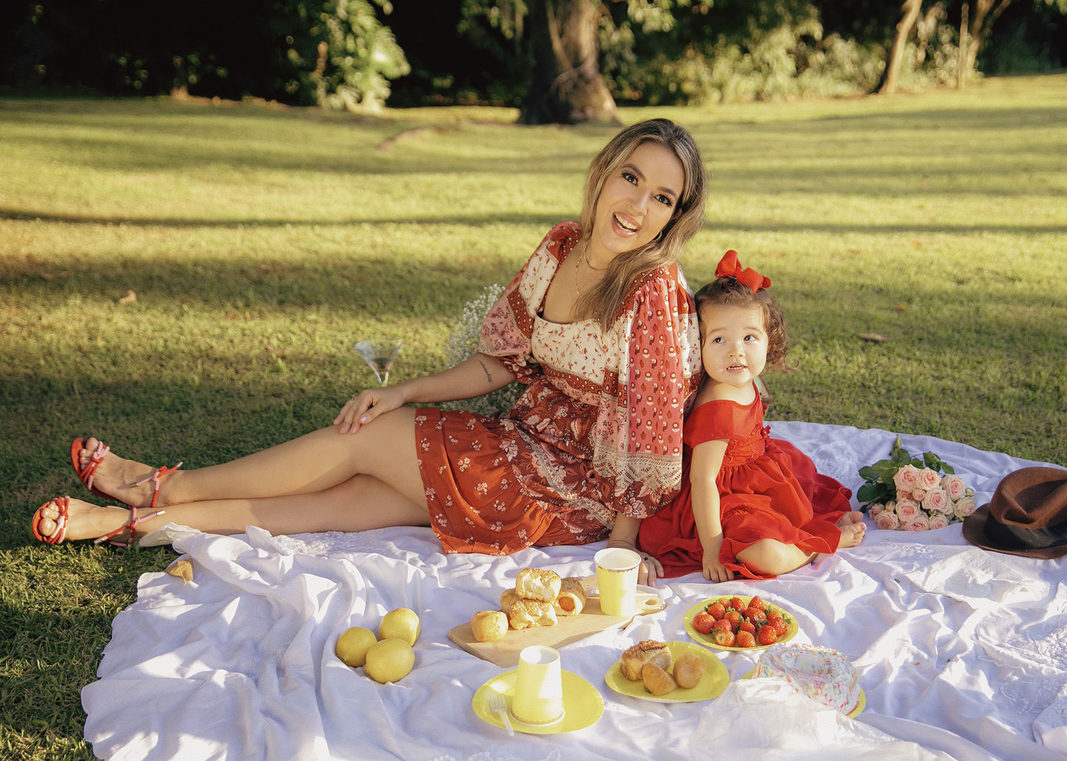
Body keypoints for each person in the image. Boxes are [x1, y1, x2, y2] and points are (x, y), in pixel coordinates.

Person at [32, 119, 707, 575]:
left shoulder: (652, 291)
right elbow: (499, 361)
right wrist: (404, 389)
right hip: (523, 446)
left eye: (662, 198)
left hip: (570, 492)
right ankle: (132, 524)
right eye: (630, 179)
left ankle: (165, 484)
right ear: (603, 171)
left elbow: (650, 433)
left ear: (675, 217)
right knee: (337, 502)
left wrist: (620, 549)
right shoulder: (562, 245)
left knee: (363, 443)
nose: (638, 205)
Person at [635, 251, 865, 582]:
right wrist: (713, 547)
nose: (736, 350)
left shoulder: (744, 377)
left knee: (803, 486)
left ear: (769, 340)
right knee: (766, 555)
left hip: (754, 476)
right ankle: (818, 544)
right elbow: (703, 481)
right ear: (696, 345)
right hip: (719, 499)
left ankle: (813, 528)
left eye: (749, 337)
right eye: (718, 339)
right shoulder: (718, 407)